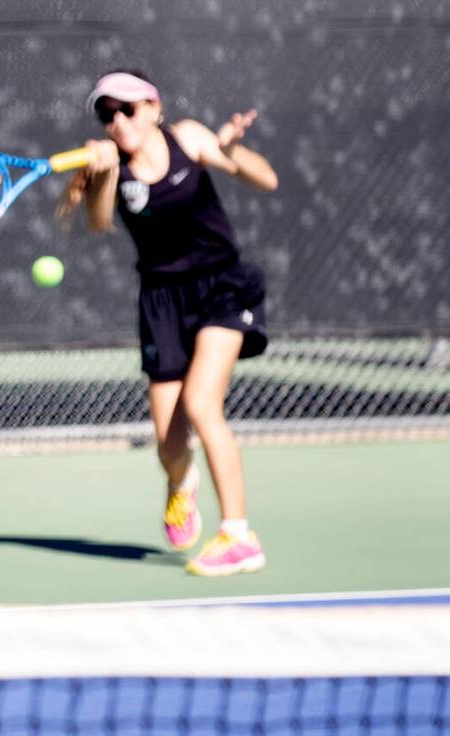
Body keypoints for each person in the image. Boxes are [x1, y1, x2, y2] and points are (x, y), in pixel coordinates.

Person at [57, 70, 278, 577]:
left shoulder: (190, 138)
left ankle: (238, 535)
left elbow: (266, 178)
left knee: (203, 404)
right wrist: (105, 171)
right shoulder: (110, 168)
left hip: (222, 286)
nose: (117, 121)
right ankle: (182, 484)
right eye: (106, 114)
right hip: (161, 302)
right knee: (169, 444)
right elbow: (98, 220)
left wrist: (229, 150)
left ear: (155, 107)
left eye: (127, 109)